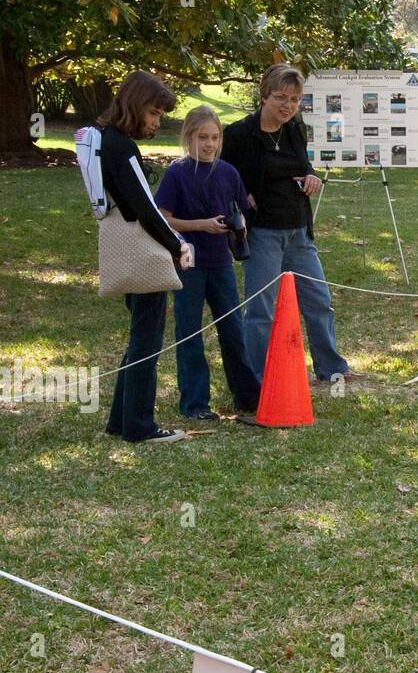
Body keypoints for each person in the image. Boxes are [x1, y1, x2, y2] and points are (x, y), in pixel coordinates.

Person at [222, 64, 358, 388]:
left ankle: (331, 368)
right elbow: (222, 180)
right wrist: (243, 197)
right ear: (264, 96)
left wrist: (311, 176)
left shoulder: (295, 128)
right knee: (261, 310)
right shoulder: (239, 134)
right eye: (281, 97)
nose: (288, 105)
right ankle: (258, 377)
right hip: (262, 233)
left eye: (295, 99)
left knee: (318, 300)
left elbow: (303, 165)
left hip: (298, 230)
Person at [99, 72, 193, 444]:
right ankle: (139, 425)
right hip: (141, 251)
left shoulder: (106, 140)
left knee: (140, 336)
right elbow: (145, 208)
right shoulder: (121, 147)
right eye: (153, 113)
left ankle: (121, 419)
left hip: (126, 247)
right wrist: (177, 246)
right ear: (136, 105)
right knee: (147, 340)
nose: (156, 122)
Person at [157, 106, 262, 423]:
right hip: (188, 263)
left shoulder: (229, 172)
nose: (209, 144)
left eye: (215, 138)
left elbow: (242, 207)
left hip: (221, 262)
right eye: (202, 137)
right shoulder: (177, 173)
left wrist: (238, 222)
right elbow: (163, 218)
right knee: (189, 332)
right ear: (188, 137)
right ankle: (194, 401)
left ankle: (247, 395)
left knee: (233, 329)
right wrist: (200, 224)